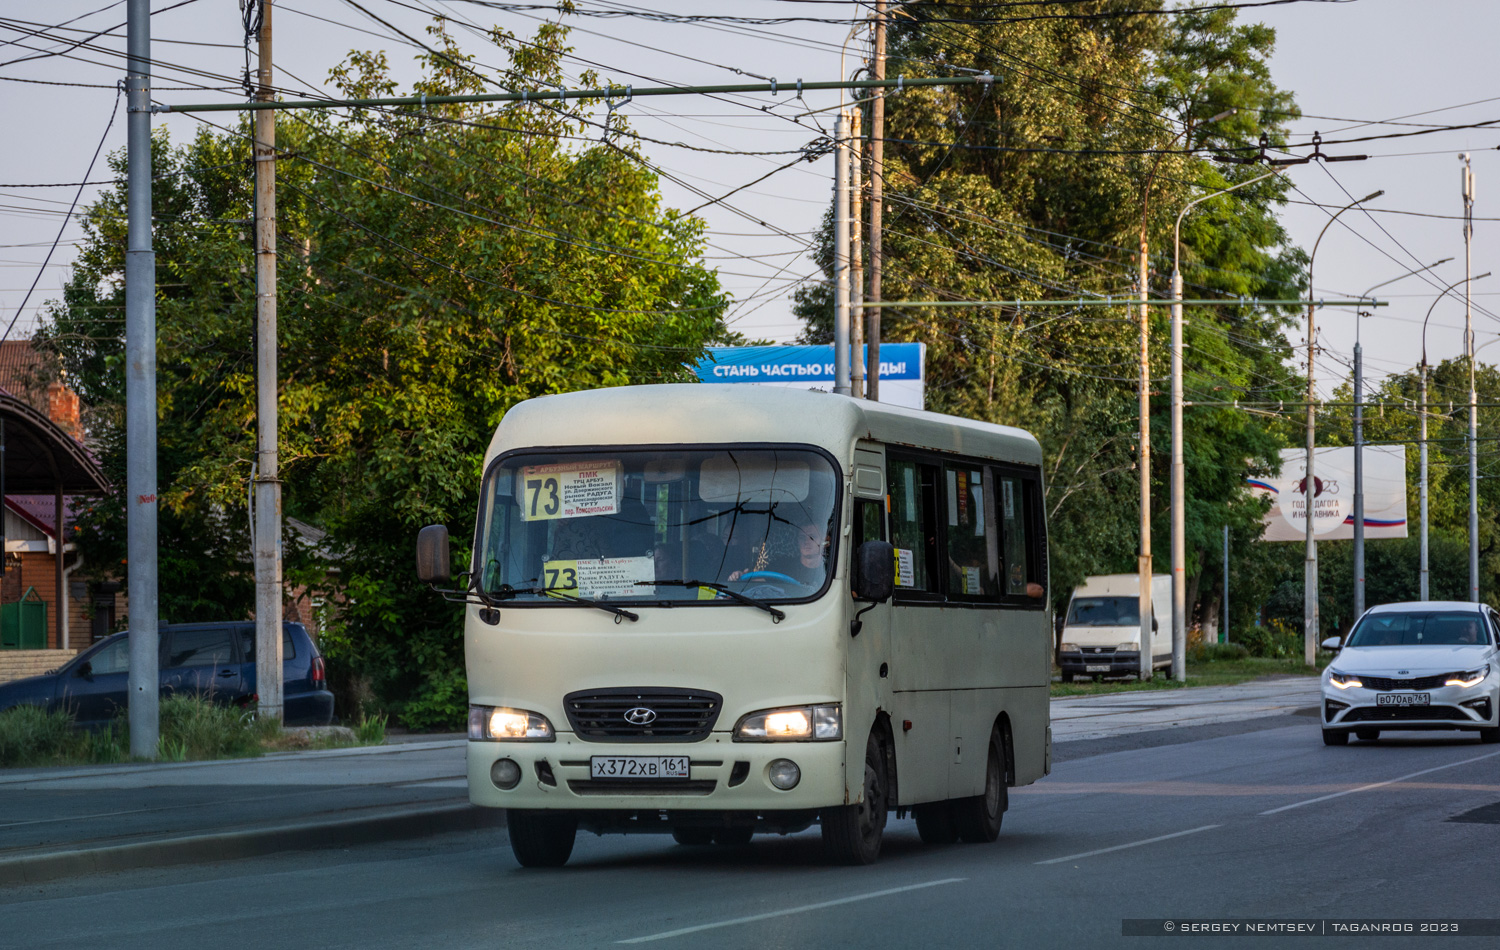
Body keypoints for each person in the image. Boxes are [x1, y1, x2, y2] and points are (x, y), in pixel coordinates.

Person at [728, 522, 828, 587]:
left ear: (824, 539)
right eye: (802, 537)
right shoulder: (783, 565)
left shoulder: (829, 570)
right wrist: (739, 577)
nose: (806, 542)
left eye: (812, 537)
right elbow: (756, 582)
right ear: (797, 540)